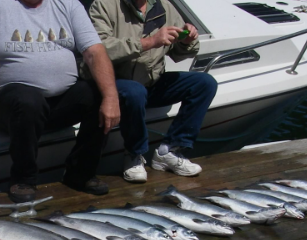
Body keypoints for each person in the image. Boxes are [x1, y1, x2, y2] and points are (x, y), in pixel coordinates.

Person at [0, 0, 121, 204]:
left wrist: (111, 97)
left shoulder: (68, 5)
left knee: (98, 94)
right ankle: (23, 179)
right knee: (29, 100)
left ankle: (81, 173)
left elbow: (95, 51)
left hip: (55, 102)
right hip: (8, 104)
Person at [87, 0, 217, 182]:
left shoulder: (164, 6)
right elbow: (98, 50)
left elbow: (179, 54)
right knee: (134, 91)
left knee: (204, 83)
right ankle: (134, 155)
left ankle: (169, 151)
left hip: (151, 81)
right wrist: (149, 42)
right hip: (115, 83)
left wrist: (187, 41)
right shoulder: (104, 5)